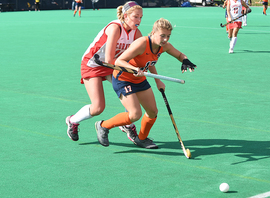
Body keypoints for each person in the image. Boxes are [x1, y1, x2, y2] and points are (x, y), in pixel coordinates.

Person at [95, 18, 196, 149]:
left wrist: (185, 60)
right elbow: (119, 61)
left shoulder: (164, 46)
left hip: (140, 79)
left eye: (168, 36)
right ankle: (103, 126)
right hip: (123, 78)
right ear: (153, 32)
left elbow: (178, 55)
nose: (165, 39)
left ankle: (141, 139)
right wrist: (134, 69)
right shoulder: (142, 43)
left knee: (152, 111)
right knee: (134, 114)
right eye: (162, 36)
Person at [66, 1, 143, 142]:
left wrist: (142, 67)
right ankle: (72, 120)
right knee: (98, 107)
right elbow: (108, 59)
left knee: (131, 94)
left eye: (140, 18)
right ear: (126, 16)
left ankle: (127, 123)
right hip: (93, 64)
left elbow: (142, 54)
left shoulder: (136, 33)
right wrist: (131, 69)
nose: (138, 21)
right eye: (135, 17)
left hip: (113, 66)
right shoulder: (115, 28)